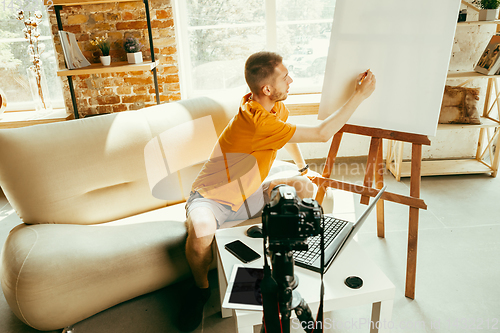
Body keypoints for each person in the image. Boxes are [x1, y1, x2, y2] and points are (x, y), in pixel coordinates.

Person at [177, 51, 376, 331]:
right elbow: (321, 133)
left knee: (305, 188)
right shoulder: (256, 120)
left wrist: (303, 168)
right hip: (213, 198)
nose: (291, 80)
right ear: (267, 89)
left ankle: (293, 266)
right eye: (285, 77)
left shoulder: (275, 108)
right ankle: (200, 290)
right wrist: (359, 95)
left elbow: (287, 134)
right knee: (200, 231)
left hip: (251, 193)